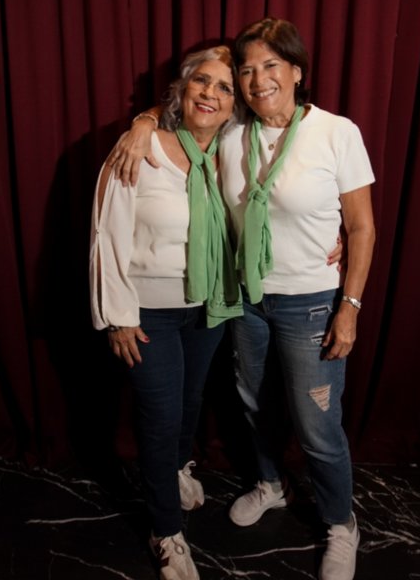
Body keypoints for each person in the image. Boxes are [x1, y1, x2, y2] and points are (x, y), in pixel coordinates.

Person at [108, 18, 376, 580]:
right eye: (247, 70)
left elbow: (362, 227)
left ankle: (340, 523)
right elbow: (186, 113)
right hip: (244, 300)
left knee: (316, 423)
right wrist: (142, 120)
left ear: (297, 72)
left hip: (310, 301)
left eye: (270, 66)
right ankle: (271, 484)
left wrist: (349, 307)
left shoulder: (336, 132)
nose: (257, 80)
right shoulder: (233, 132)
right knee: (254, 406)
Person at [90, 45, 243, 580]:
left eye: (225, 87)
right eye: (202, 81)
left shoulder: (233, 155)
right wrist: (118, 315)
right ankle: (165, 531)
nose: (211, 93)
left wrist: (333, 239)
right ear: (182, 89)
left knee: (190, 402)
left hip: (207, 306)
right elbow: (106, 233)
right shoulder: (141, 146)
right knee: (159, 417)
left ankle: (177, 467)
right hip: (147, 311)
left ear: (235, 106)